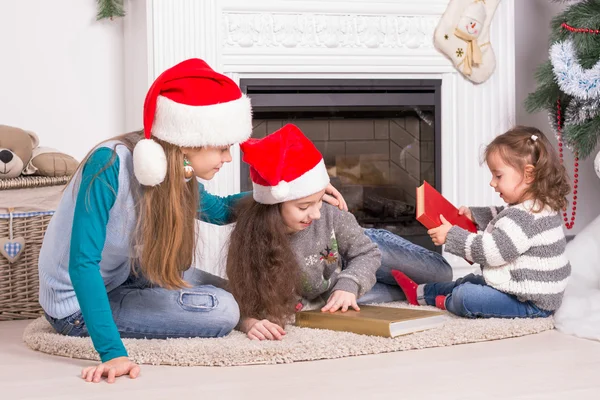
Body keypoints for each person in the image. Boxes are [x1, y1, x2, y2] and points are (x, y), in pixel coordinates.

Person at [37, 59, 346, 383]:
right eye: (223, 148)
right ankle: (241, 317)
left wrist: (294, 190)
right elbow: (82, 264)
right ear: (188, 141)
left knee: (228, 290)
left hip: (128, 276)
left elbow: (221, 210)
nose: (228, 158)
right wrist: (113, 353)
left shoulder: (176, 171)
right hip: (73, 307)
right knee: (223, 310)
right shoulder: (109, 165)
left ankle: (245, 315)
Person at [225, 124, 452, 340]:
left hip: (362, 245)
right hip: (329, 284)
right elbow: (241, 300)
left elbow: (366, 253)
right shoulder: (253, 241)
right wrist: (250, 323)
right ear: (273, 207)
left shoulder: (328, 215)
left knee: (441, 275)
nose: (315, 214)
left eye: (318, 202)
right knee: (396, 293)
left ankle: (362, 259)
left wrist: (349, 284)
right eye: (304, 207)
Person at [392, 126, 572, 319]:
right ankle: (420, 293)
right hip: (523, 288)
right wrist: (474, 215)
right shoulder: (535, 206)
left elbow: (492, 252)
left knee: (466, 295)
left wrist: (452, 236)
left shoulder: (524, 218)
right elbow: (503, 215)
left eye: (498, 176)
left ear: (529, 175)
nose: (492, 183)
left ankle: (445, 301)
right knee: (471, 280)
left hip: (530, 303)